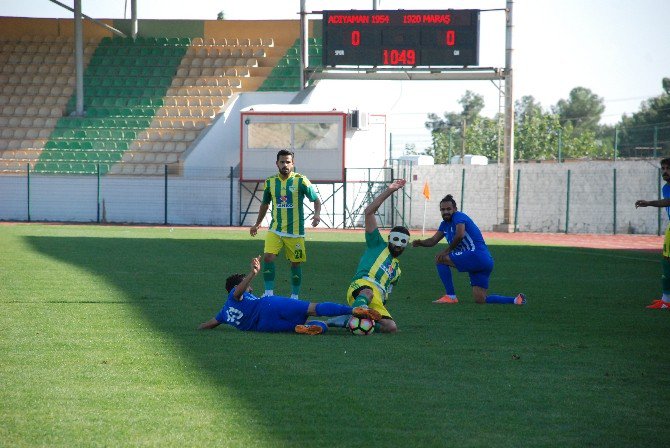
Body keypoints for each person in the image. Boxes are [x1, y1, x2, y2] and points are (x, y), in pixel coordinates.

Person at [198, 255, 382, 334]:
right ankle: (354, 310)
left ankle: (313, 329)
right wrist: (253, 273)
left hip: (264, 327)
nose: (251, 288)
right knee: (313, 308)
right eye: (248, 286)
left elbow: (210, 324)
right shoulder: (235, 294)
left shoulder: (224, 312)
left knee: (304, 324)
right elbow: (239, 291)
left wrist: (198, 329)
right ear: (238, 286)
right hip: (269, 305)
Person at [326, 179, 409, 334]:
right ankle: (355, 312)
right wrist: (390, 190)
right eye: (396, 239)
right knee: (368, 292)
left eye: (403, 242)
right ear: (390, 238)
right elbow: (369, 211)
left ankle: (348, 321)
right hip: (362, 286)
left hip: (376, 298)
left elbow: (386, 294)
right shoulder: (377, 243)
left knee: (390, 328)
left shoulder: (397, 271)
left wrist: (378, 312)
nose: (398, 244)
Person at [412, 194, 526, 306]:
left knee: (439, 259)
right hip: (485, 261)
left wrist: (447, 251)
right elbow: (433, 240)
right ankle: (516, 300)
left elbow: (460, 234)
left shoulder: (458, 216)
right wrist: (420, 243)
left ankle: (450, 296)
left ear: (455, 209)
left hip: (475, 255)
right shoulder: (444, 224)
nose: (446, 212)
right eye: (443, 209)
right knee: (480, 299)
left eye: (448, 209)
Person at [250, 149, 321, 300]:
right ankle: (269, 293)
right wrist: (257, 224)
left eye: (288, 162)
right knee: (268, 257)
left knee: (295, 264)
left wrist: (316, 214)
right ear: (277, 163)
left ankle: (294, 296)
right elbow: (264, 204)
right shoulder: (270, 182)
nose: (285, 165)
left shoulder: (301, 180)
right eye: (282, 162)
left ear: (293, 163)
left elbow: (316, 200)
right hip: (275, 229)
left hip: (295, 232)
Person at [635, 157, 670, 309]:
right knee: (666, 263)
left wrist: (649, 203)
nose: (665, 171)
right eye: (663, 169)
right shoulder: (666, 187)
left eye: (668, 168)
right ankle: (666, 300)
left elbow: (668, 202)